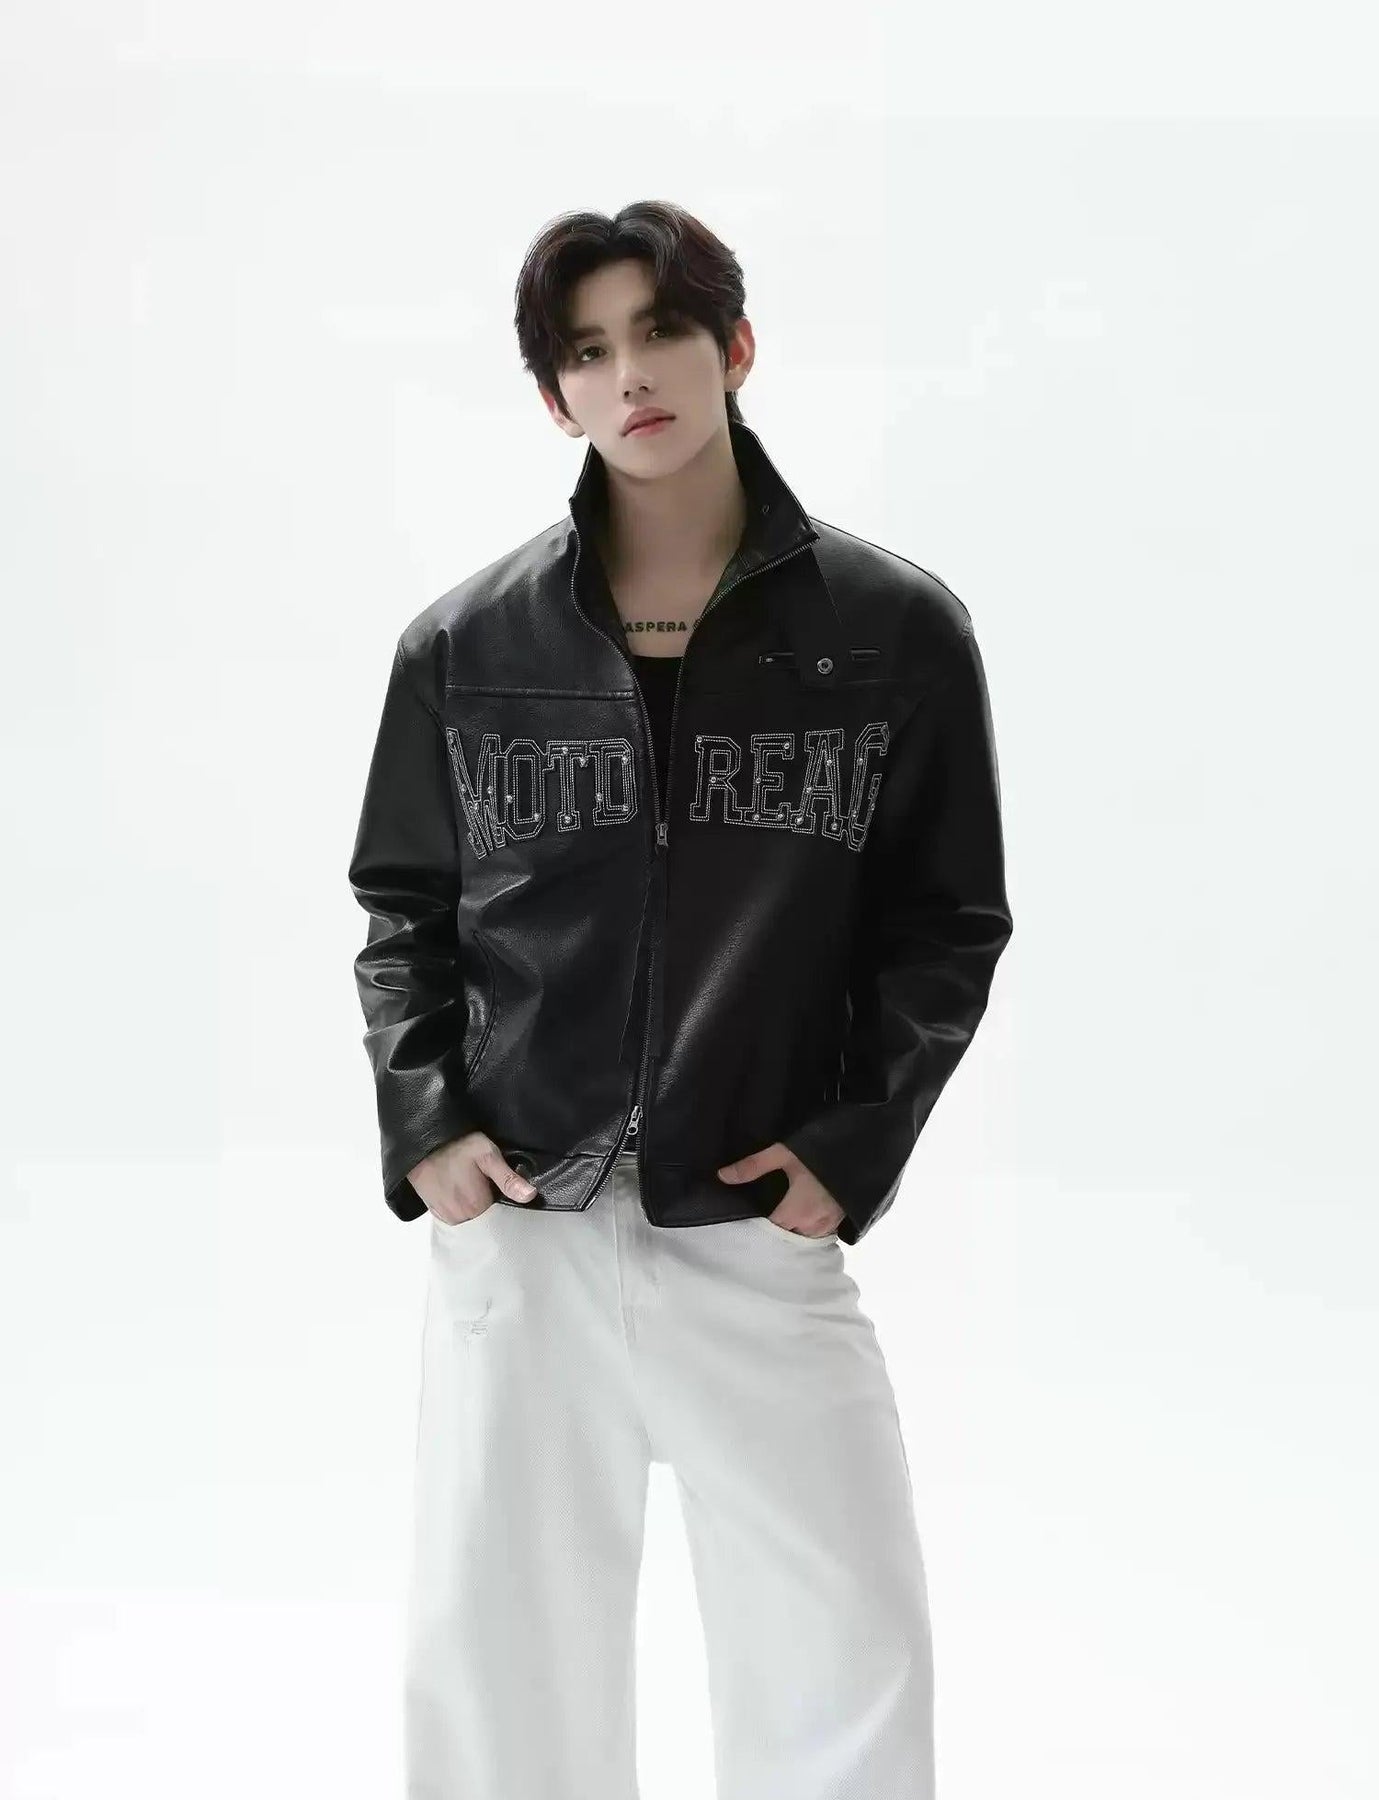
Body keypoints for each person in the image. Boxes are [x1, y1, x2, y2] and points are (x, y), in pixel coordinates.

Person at [348, 199, 1014, 1800]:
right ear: (553, 397)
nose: (630, 376)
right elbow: (403, 913)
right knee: (503, 1659)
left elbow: (945, 923)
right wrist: (429, 1125)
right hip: (527, 1218)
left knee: (844, 1644)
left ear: (737, 345)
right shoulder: (465, 645)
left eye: (659, 331)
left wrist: (852, 1147)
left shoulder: (895, 633)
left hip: (752, 1216)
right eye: (586, 352)